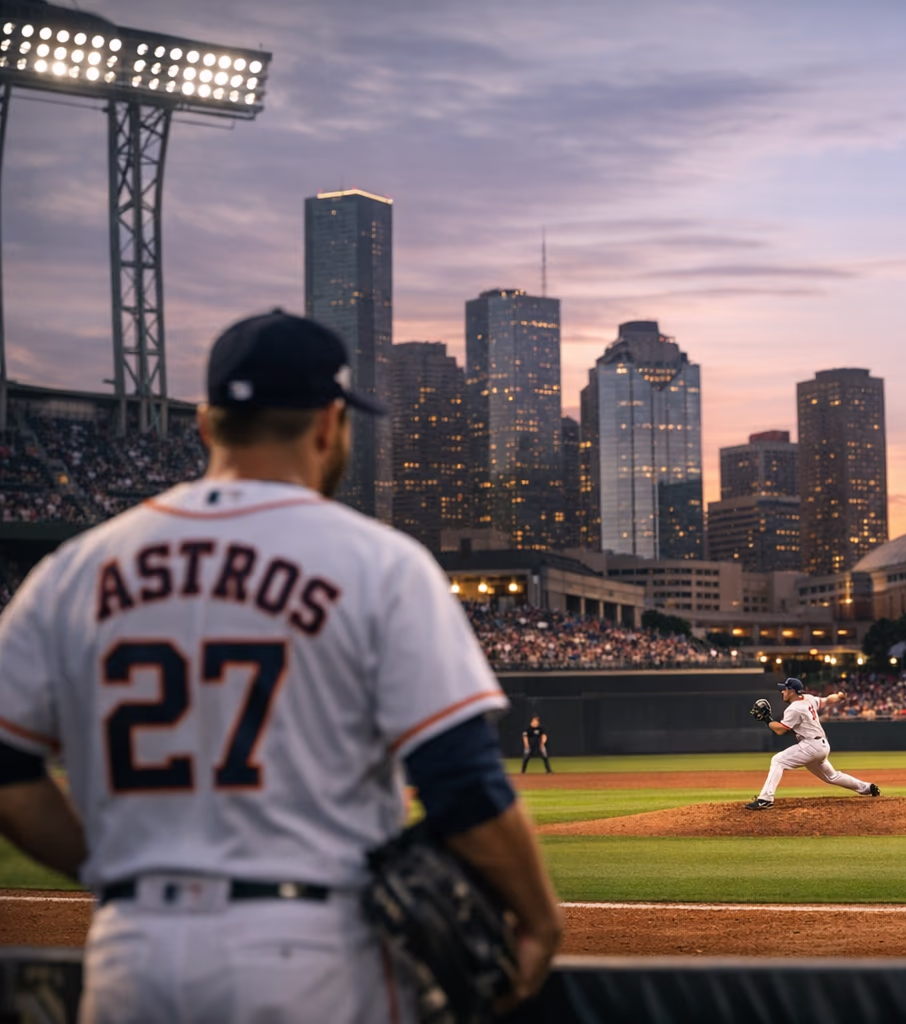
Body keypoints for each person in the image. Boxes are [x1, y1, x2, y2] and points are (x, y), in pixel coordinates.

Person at [0, 311, 564, 1023]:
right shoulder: (379, 564)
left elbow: (8, 772)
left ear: (206, 425)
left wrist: (121, 867)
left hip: (132, 955)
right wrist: (539, 918)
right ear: (329, 425)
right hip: (313, 955)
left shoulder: (73, 571)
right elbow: (461, 782)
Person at [745, 678, 880, 809]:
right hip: (821, 745)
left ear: (791, 691)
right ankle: (867, 788)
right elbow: (828, 700)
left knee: (778, 760)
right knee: (833, 776)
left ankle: (765, 799)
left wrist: (767, 720)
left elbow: (780, 730)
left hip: (810, 746)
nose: (782, 692)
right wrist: (839, 696)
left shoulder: (794, 709)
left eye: (784, 689)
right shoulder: (808, 698)